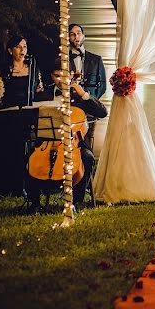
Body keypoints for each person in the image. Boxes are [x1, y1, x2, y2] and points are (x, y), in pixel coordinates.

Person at [30, 70, 106, 207]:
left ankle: (77, 201)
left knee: (87, 158)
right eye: (56, 76)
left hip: (75, 145)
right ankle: (34, 202)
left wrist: (84, 95)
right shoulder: (43, 94)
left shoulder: (79, 95)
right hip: (47, 142)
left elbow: (102, 112)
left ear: (71, 74)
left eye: (64, 75)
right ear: (51, 76)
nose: (60, 80)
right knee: (29, 158)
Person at [68, 24, 106, 149]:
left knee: (86, 148)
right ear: (68, 37)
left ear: (83, 36)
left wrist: (88, 98)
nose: (76, 36)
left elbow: (102, 86)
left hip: (90, 110)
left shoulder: (96, 59)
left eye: (78, 33)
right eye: (72, 34)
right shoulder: (63, 59)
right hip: (70, 109)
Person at [0, 35, 44, 108]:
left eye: (25, 46)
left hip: (29, 109)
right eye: (18, 47)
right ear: (10, 51)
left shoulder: (33, 68)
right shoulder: (4, 70)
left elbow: (39, 89)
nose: (22, 50)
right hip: (10, 109)